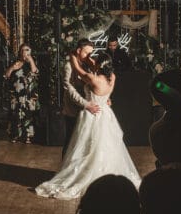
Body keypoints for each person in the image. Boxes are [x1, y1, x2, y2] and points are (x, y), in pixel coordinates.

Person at [36, 52, 141, 199]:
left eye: (95, 61)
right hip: (105, 112)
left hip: (92, 114)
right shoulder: (112, 78)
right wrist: (95, 63)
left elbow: (78, 69)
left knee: (87, 146)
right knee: (105, 146)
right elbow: (104, 91)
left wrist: (73, 58)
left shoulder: (93, 78)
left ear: (99, 65)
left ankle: (87, 174)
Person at [61, 38, 101, 158]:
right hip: (73, 109)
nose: (88, 56)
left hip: (88, 111)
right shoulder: (68, 65)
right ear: (78, 50)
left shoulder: (88, 64)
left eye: (91, 53)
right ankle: (65, 171)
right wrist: (85, 104)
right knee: (70, 142)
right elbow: (68, 88)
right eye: (86, 53)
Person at [4, 44, 39, 144]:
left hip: (29, 95)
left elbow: (34, 72)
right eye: (23, 50)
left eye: (27, 50)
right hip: (16, 95)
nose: (25, 52)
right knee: (15, 115)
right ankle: (15, 135)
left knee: (29, 116)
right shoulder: (14, 62)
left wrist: (30, 60)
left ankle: (28, 136)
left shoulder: (32, 62)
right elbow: (6, 75)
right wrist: (12, 68)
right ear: (20, 52)